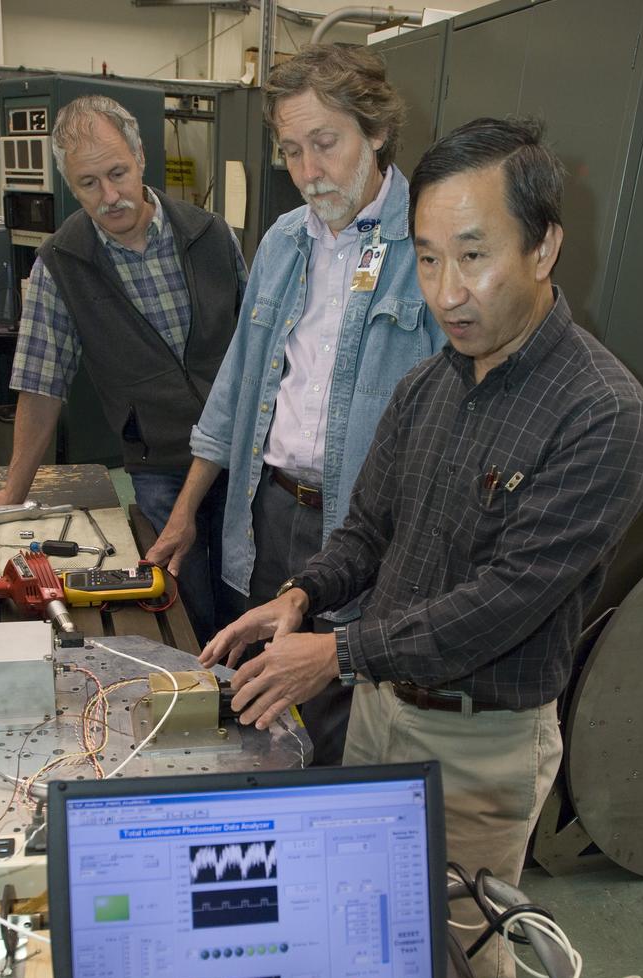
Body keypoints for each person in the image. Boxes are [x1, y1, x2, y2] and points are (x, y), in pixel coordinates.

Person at [199, 117, 643, 978]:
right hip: (378, 714)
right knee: (363, 935)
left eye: (474, 255)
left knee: (457, 973)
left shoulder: (605, 417)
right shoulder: (431, 384)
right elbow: (368, 531)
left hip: (479, 749)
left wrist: (332, 657)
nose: (448, 292)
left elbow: (500, 605)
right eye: (428, 257)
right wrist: (301, 596)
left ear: (544, 246)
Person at [145, 46, 444, 761]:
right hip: (268, 513)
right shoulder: (284, 241)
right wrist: (187, 511)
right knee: (260, 709)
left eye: (326, 143)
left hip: (367, 529)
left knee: (340, 717)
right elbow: (237, 391)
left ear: (374, 133)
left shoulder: (428, 246)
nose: (309, 172)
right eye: (291, 151)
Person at [0, 95, 248, 646]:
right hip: (159, 464)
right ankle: (211, 701)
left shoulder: (210, 234)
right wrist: (14, 492)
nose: (110, 196)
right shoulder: (61, 266)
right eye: (89, 183)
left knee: (249, 590)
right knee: (187, 604)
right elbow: (42, 388)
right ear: (69, 184)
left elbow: (260, 347)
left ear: (140, 158)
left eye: (117, 173)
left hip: (243, 452)